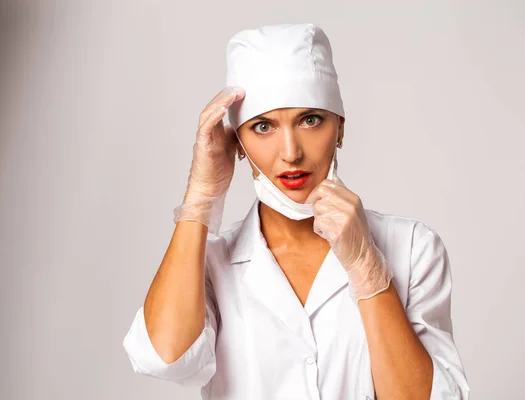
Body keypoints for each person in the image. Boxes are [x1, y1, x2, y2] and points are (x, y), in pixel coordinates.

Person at [123, 23, 471, 400]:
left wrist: (368, 268)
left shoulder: (412, 248)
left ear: (339, 127)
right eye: (262, 126)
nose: (290, 152)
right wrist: (201, 196)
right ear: (237, 142)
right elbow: (166, 360)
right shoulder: (209, 264)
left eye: (310, 120)